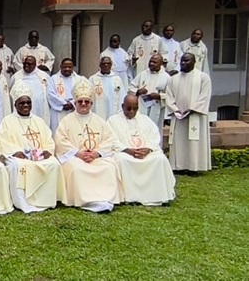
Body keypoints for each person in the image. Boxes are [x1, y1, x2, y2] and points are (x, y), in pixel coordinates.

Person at [0, 81, 64, 213]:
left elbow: (48, 139)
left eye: (28, 103)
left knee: (54, 164)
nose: (26, 106)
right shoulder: (7, 121)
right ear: (15, 104)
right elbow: (3, 141)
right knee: (17, 166)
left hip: (39, 156)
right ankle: (22, 201)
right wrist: (15, 152)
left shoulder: (38, 120)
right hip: (19, 157)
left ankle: (47, 199)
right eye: (22, 103)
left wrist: (47, 151)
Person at [54, 81, 121, 213]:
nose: (83, 104)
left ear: (91, 104)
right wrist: (77, 153)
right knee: (77, 169)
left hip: (96, 157)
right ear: (75, 103)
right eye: (80, 101)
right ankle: (84, 200)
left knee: (109, 168)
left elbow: (110, 139)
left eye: (87, 101)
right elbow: (60, 140)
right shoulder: (66, 121)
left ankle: (104, 199)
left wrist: (97, 153)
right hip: (75, 157)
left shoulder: (99, 121)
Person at [108, 94, 176, 206]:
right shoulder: (113, 121)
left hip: (145, 153)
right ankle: (130, 197)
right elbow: (112, 140)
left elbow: (154, 137)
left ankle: (158, 195)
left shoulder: (146, 120)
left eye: (135, 108)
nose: (131, 111)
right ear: (122, 106)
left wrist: (148, 149)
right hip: (126, 153)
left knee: (160, 159)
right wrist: (128, 150)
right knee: (120, 160)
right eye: (128, 108)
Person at [165, 53, 212, 174]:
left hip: (195, 115)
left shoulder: (203, 78)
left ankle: (194, 167)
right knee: (179, 141)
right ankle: (178, 166)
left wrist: (192, 109)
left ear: (194, 62)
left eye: (186, 61)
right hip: (178, 115)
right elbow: (169, 96)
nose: (183, 63)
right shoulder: (173, 79)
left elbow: (205, 95)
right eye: (182, 61)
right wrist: (175, 109)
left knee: (194, 141)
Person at [129, 53, 169, 130]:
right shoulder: (142, 74)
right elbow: (131, 87)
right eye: (150, 61)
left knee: (154, 129)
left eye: (154, 62)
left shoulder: (166, 77)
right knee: (141, 128)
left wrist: (159, 96)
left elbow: (171, 95)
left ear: (161, 64)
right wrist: (138, 91)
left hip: (157, 107)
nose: (151, 64)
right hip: (142, 106)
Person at [47, 58, 87, 132]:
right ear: (60, 67)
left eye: (69, 67)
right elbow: (50, 94)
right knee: (58, 131)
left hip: (73, 109)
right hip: (59, 110)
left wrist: (72, 103)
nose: (67, 69)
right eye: (65, 67)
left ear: (73, 68)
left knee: (73, 131)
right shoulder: (53, 79)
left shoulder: (79, 79)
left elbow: (82, 93)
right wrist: (64, 103)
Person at [11, 56, 51, 123]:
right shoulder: (16, 76)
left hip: (40, 108)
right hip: (22, 107)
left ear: (35, 65)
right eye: (25, 63)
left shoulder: (43, 76)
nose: (26, 65)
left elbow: (49, 93)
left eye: (29, 64)